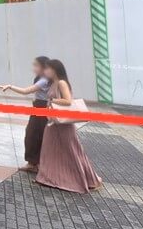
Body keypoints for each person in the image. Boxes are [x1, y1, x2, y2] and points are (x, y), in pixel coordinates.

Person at [35, 58, 102, 193]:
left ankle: (83, 179)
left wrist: (52, 100)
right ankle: (50, 177)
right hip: (54, 123)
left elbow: (67, 100)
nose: (45, 71)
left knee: (71, 152)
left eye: (48, 68)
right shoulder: (54, 83)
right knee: (52, 150)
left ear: (55, 70)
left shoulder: (61, 82)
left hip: (63, 124)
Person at [0, 56, 53, 172]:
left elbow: (26, 91)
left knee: (32, 135)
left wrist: (10, 86)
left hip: (41, 110)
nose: (34, 68)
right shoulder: (44, 78)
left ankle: (33, 163)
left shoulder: (44, 80)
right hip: (40, 108)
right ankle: (36, 163)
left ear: (43, 67)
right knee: (36, 135)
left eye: (36, 65)